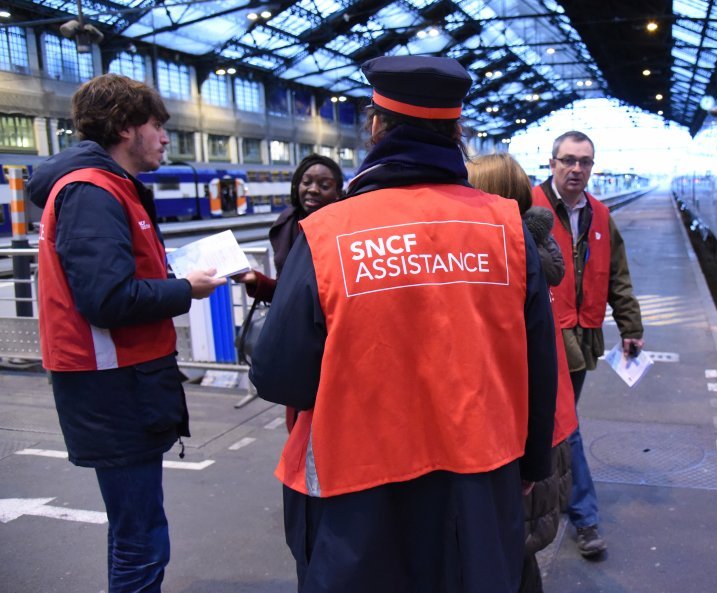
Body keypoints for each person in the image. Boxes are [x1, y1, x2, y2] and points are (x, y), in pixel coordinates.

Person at [249, 56, 558, 593]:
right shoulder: (507, 229)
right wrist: (531, 463)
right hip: (479, 482)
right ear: (457, 131)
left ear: (375, 126)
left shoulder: (326, 233)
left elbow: (277, 376)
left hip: (355, 496)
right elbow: (538, 364)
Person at [27, 74, 226, 593]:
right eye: (156, 126)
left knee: (138, 531)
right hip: (112, 385)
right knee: (141, 539)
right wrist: (187, 288)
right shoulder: (92, 192)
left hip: (124, 381)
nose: (164, 138)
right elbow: (106, 300)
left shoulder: (106, 187)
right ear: (123, 127)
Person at [467, 153, 578, 593]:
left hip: (522, 436)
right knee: (517, 554)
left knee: (507, 556)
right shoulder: (533, 251)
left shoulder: (504, 259)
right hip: (547, 426)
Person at [531, 130, 644, 559]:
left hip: (583, 335)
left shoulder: (599, 213)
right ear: (553, 163)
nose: (577, 169)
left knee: (562, 421)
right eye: (568, 160)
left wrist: (630, 325)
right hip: (545, 333)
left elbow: (617, 274)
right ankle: (584, 515)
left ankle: (551, 494)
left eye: (585, 162)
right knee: (567, 424)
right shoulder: (530, 208)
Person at [236, 153, 344, 302]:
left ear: (338, 193)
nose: (313, 189)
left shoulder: (346, 229)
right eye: (306, 182)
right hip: (297, 322)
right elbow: (285, 294)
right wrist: (256, 280)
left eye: (324, 185)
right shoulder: (286, 225)